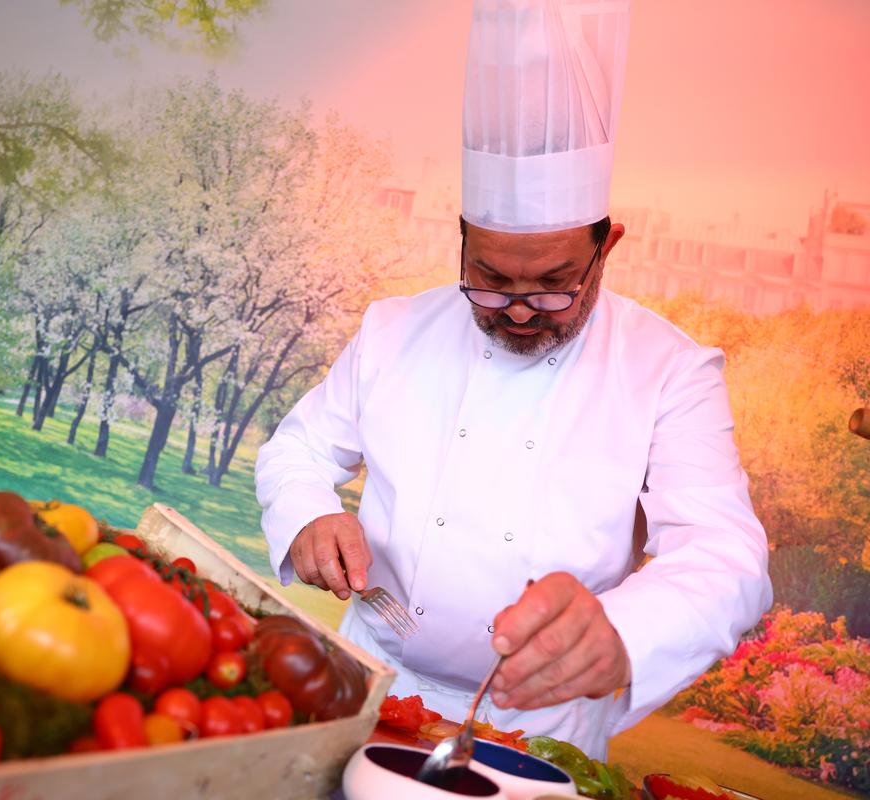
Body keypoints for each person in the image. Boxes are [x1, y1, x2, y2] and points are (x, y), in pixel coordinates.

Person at [254, 0, 772, 760]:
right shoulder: (393, 329)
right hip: (368, 686)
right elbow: (297, 450)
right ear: (461, 241)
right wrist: (306, 515)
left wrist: (624, 632)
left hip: (537, 734)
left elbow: (725, 553)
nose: (521, 311)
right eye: (491, 281)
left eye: (556, 285)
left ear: (608, 246)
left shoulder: (671, 371)